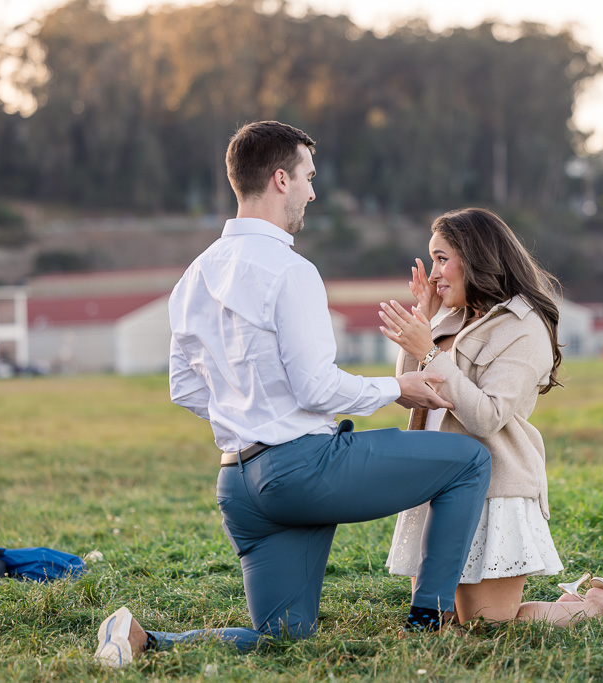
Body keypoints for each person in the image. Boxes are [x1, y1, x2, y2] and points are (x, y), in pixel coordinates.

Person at [93, 121, 491, 668]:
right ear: (280, 179)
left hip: (238, 483)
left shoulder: (194, 275)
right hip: (301, 472)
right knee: (469, 458)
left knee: (284, 638)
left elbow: (184, 388)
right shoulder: (292, 271)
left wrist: (248, 415)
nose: (312, 191)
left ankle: (142, 639)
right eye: (307, 176)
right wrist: (398, 388)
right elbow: (316, 386)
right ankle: (429, 618)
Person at [377, 207, 603, 626]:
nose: (433, 274)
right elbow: (409, 397)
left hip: (493, 492)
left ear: (476, 257)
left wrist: (429, 350)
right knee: (437, 619)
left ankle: (599, 605)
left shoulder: (524, 327)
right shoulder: (449, 318)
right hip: (438, 485)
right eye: (431, 259)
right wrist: (424, 325)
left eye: (441, 258)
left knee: (489, 623)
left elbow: (487, 416)